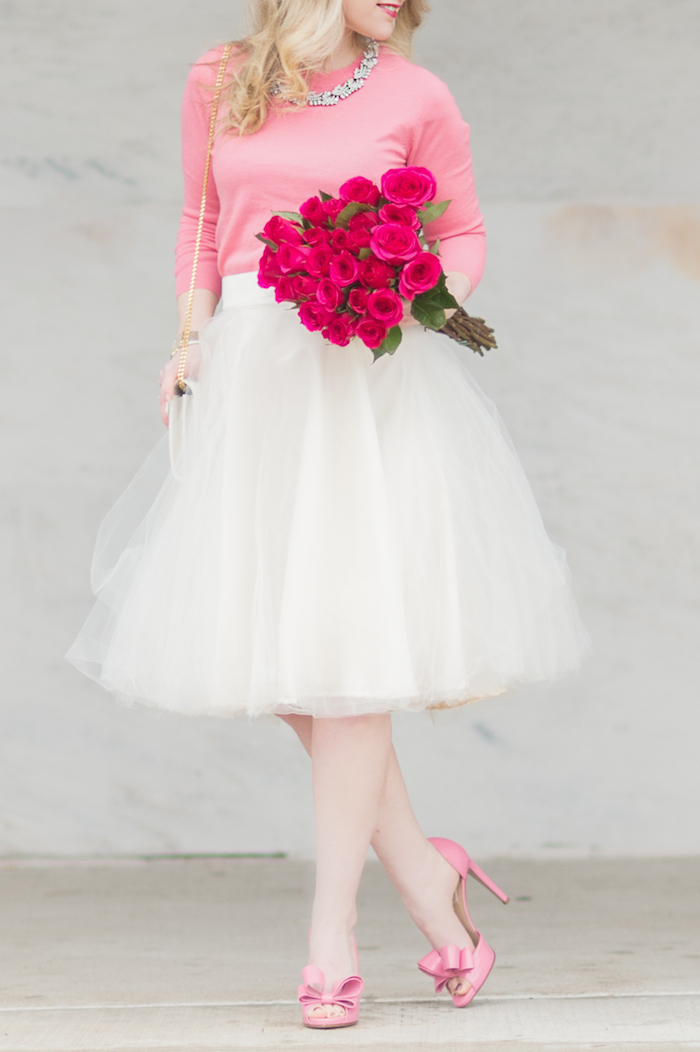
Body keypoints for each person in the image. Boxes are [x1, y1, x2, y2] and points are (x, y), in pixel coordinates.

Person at [68, 0, 589, 1030]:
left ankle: (331, 937)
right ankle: (428, 874)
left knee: (348, 651)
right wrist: (186, 343)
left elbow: (462, 230)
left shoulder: (417, 94)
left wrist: (418, 299)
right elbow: (201, 223)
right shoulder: (221, 78)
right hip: (253, 381)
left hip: (364, 386)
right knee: (284, 653)